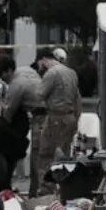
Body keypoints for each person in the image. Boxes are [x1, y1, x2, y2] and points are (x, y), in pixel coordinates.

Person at [0, 53, 43, 193]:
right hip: (37, 116)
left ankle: (35, 191)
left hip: (39, 117)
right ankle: (34, 191)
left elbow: (7, 115)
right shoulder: (25, 70)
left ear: (9, 70)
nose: (3, 79)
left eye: (3, 75)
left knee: (37, 157)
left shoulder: (16, 85)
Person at [34, 48, 81, 195]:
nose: (39, 67)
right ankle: (65, 189)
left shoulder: (51, 73)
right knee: (64, 156)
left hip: (56, 118)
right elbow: (77, 99)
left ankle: (46, 190)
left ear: (43, 60)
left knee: (46, 154)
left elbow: (38, 96)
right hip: (70, 118)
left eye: (39, 64)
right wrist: (75, 120)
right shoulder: (71, 72)